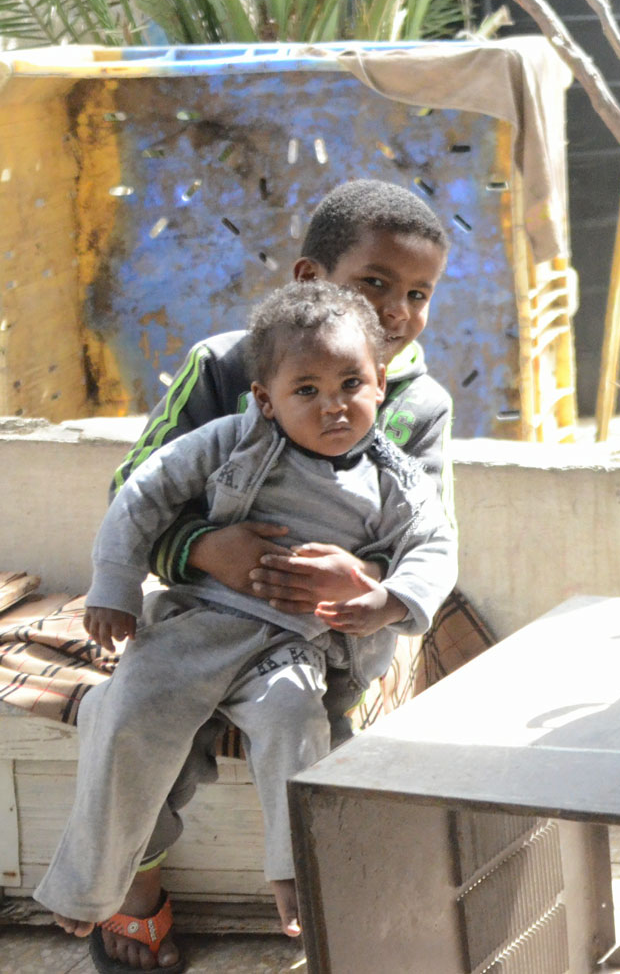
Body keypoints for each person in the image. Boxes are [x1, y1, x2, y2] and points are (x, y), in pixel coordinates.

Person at [36, 283, 457, 968]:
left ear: (380, 384)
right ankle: (89, 885)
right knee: (126, 710)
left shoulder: (395, 475)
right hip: (200, 620)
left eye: (351, 383)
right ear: (267, 399)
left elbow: (435, 546)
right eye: (307, 390)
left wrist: (385, 599)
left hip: (293, 645)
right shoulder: (231, 440)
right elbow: (142, 493)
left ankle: (297, 879)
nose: (333, 405)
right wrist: (113, 585)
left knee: (295, 720)